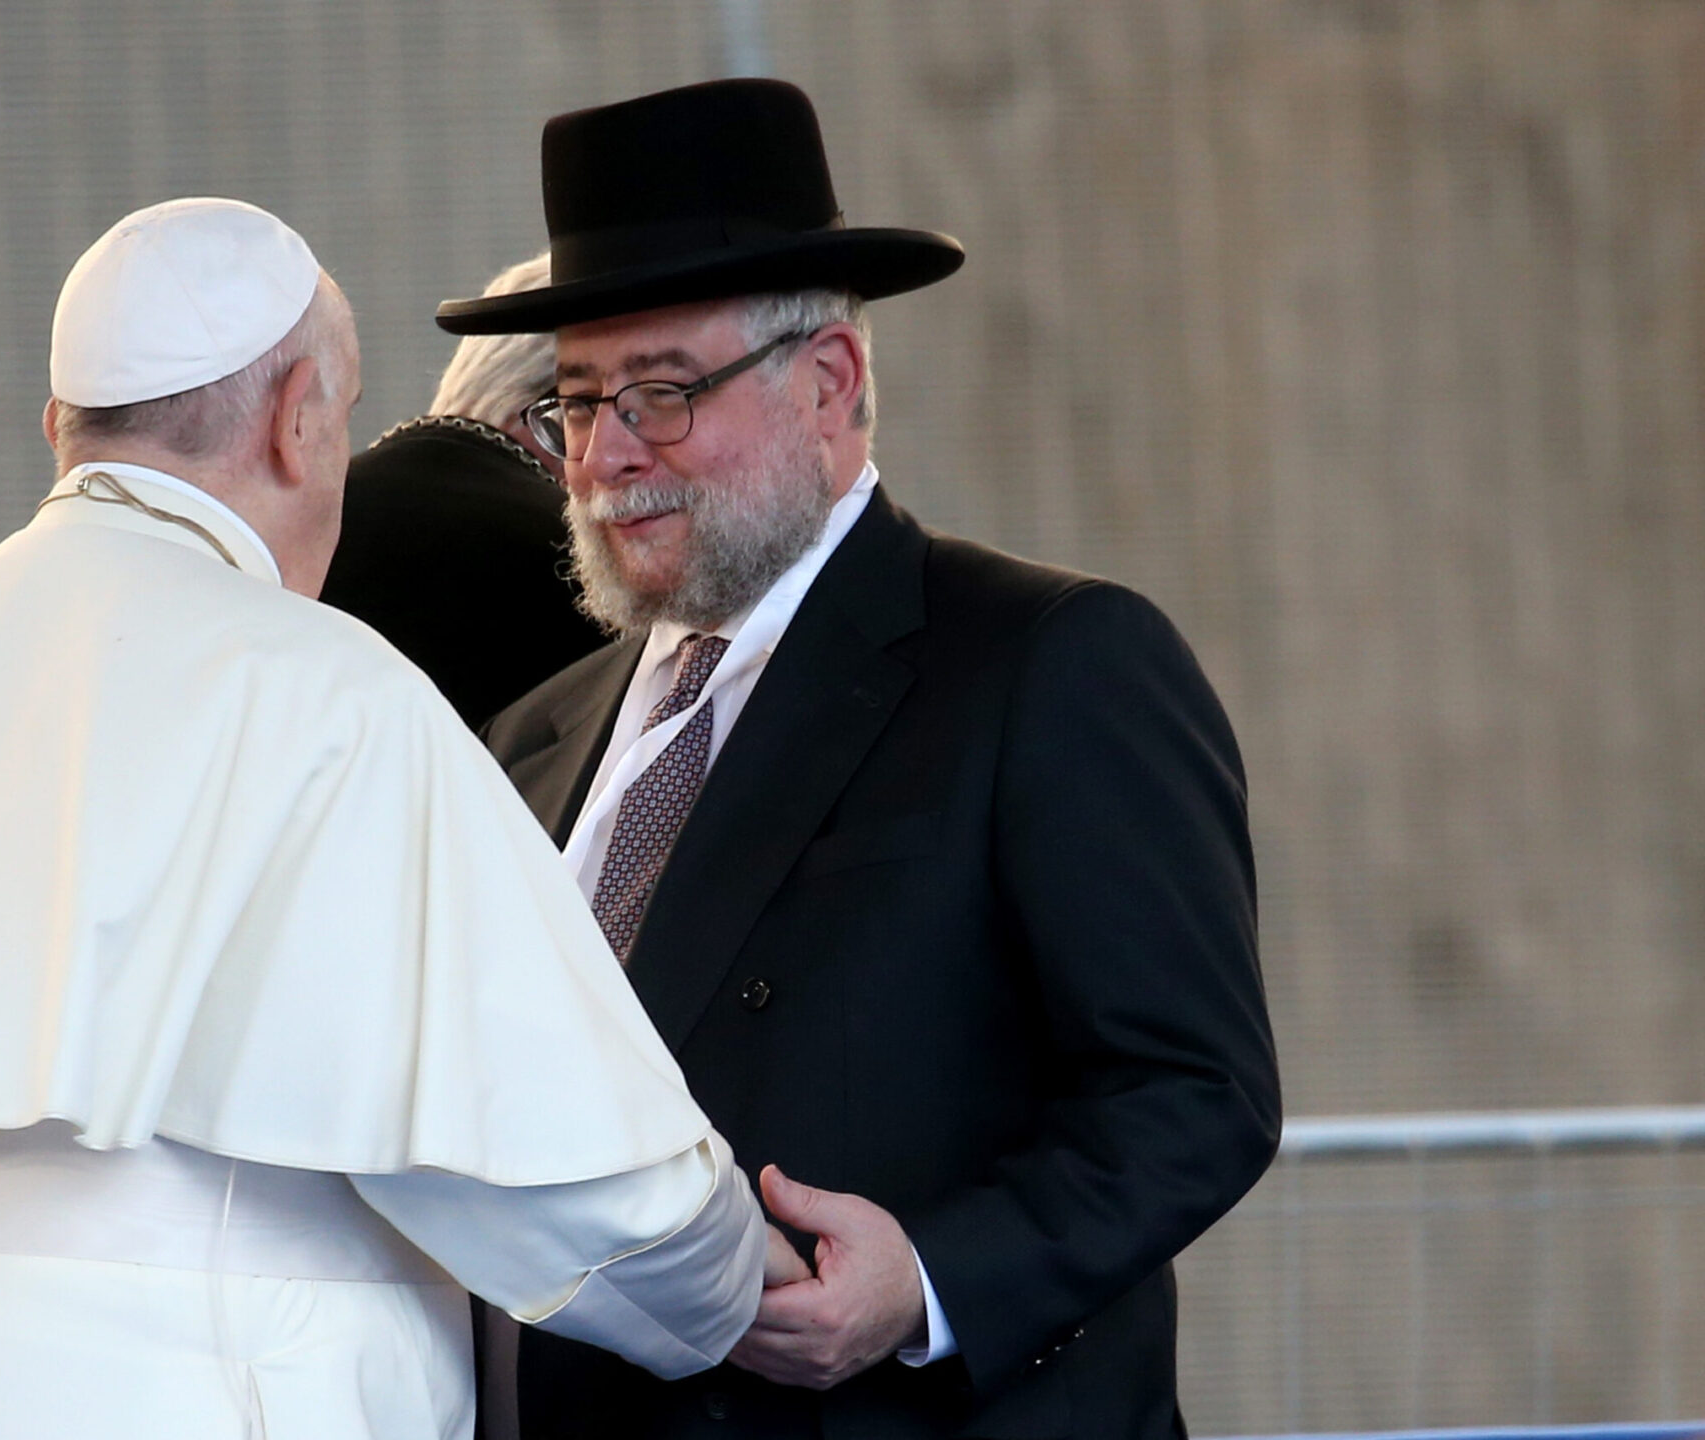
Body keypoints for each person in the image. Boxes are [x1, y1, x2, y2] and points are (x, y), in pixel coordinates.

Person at [0, 196, 798, 1440]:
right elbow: (570, 1178)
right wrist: (747, 1286)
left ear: (61, 432)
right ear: (299, 418)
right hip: (166, 1387)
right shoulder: (325, 687)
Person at [444, 80, 1283, 1438]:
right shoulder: (533, 734)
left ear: (828, 384)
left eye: (661, 395)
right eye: (579, 404)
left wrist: (931, 1282)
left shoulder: (1046, 661)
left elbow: (1193, 1095)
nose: (605, 461)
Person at [321, 254, 606, 726]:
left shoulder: (310, 515)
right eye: (592, 407)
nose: (612, 456)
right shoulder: (577, 560)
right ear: (554, 408)